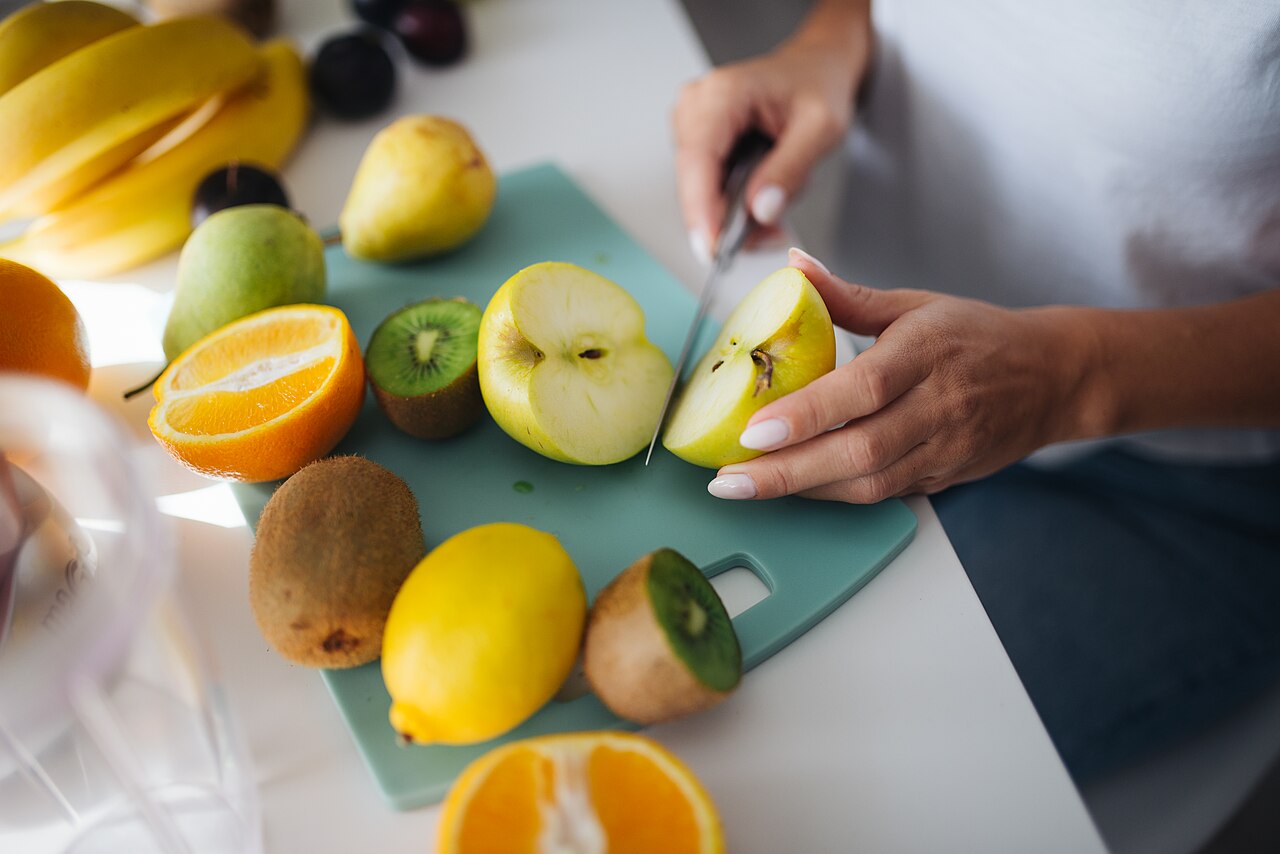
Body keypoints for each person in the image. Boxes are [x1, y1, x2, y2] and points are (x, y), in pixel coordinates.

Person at [672, 0, 1280, 785]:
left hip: (1184, 476)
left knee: (831, 767)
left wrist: (1071, 379)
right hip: (875, 365)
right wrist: (832, 40)